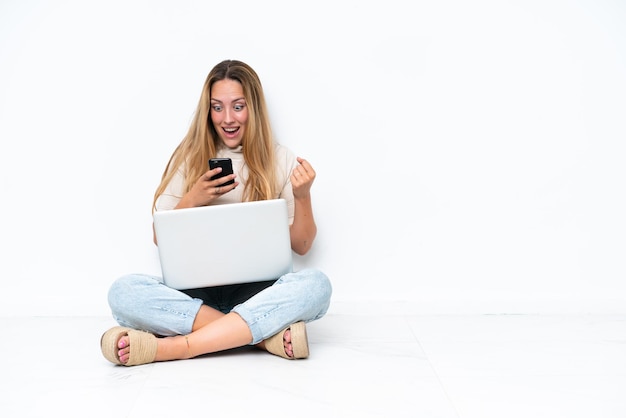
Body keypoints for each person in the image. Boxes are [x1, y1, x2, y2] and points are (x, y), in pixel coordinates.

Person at [100, 59, 332, 366]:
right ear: (207, 111)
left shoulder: (280, 158)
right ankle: (261, 337)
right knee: (123, 293)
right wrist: (195, 197)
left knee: (317, 286)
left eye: (238, 106)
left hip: (257, 293)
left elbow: (302, 246)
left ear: (254, 108)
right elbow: (159, 238)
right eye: (217, 107)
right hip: (196, 296)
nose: (227, 118)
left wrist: (303, 197)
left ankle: (179, 347)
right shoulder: (190, 156)